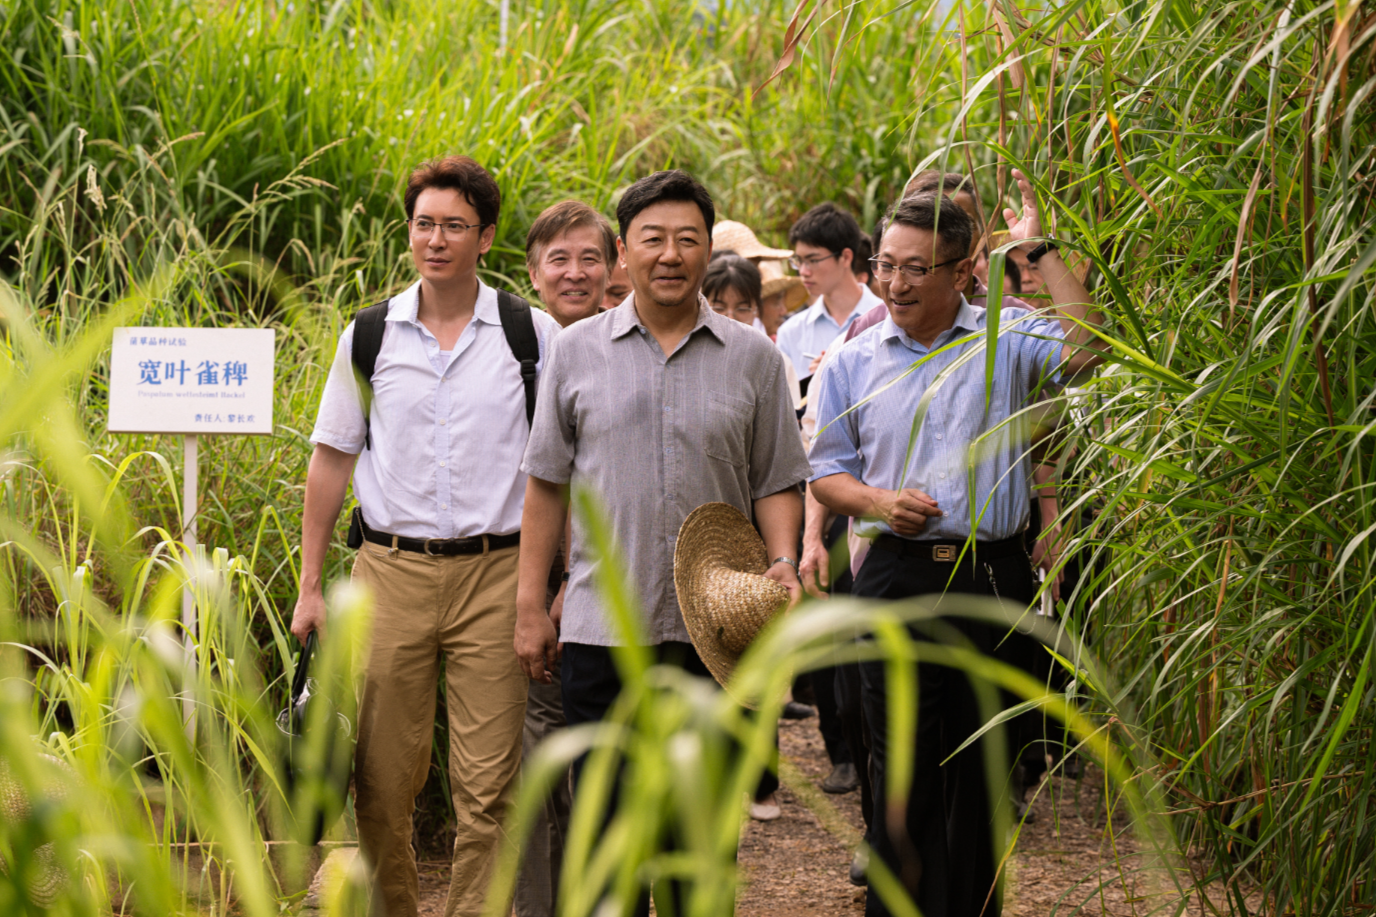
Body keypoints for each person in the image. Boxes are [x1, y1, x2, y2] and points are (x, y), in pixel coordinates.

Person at [515, 169, 813, 915]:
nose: (671, 254)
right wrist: (529, 604)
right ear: (624, 251)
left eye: (688, 239)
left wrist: (782, 561)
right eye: (653, 239)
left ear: (708, 249)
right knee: (604, 841)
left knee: (699, 846)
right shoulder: (577, 351)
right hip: (600, 636)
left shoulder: (752, 357)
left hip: (716, 641)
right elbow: (546, 483)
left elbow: (778, 477)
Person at [808, 172, 1104, 917]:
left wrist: (1035, 250)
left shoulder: (1008, 338)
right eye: (886, 265)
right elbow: (827, 475)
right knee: (901, 770)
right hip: (897, 579)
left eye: (915, 268)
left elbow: (1089, 347)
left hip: (991, 578)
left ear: (964, 268)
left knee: (981, 772)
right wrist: (877, 501)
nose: (896, 282)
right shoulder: (853, 358)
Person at [293, 155, 560, 917]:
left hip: (498, 575)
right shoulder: (371, 333)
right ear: (408, 232)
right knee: (382, 780)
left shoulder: (527, 334)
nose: (435, 239)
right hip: (390, 573)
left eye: (454, 225)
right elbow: (330, 460)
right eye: (423, 224)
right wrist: (312, 587)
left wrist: (548, 587)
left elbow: (555, 473)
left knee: (490, 787)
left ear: (486, 237)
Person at [515, 199, 617, 917]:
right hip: (524, 582)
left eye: (590, 258)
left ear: (614, 267)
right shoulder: (515, 346)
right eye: (559, 259)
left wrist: (571, 581)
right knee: (530, 769)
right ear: (532, 271)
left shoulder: (626, 351)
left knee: (599, 773)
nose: (575, 273)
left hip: (598, 594)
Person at [775, 203, 884, 390]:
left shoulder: (887, 319)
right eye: (799, 261)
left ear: (846, 257)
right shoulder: (791, 332)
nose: (803, 271)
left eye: (813, 260)